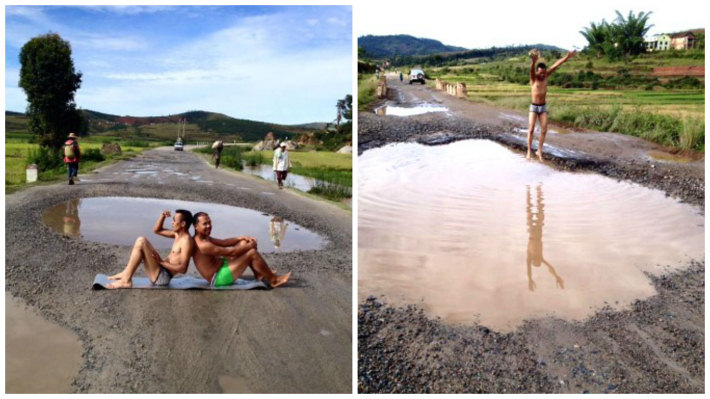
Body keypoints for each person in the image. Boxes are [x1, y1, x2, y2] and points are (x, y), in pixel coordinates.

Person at [192, 212, 291, 288]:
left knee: (244, 242)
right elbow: (232, 252)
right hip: (218, 278)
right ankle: (274, 280)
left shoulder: (204, 237)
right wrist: (251, 245)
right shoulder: (203, 245)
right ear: (196, 227)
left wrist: (242, 237)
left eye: (209, 223)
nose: (209, 226)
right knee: (251, 253)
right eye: (205, 224)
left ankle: (258, 274)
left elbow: (224, 242)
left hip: (222, 266)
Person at [107, 209, 195, 289]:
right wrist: (163, 216)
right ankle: (126, 274)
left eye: (174, 220)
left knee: (142, 241)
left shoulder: (186, 241)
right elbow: (157, 230)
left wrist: (161, 262)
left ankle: (126, 280)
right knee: (140, 242)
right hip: (160, 269)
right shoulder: (177, 234)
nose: (172, 223)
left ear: (183, 224)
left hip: (162, 277)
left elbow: (183, 269)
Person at [527, 49, 576, 161]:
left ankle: (539, 151)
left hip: (543, 107)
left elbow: (556, 65)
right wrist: (533, 62)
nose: (543, 75)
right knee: (531, 130)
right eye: (540, 72)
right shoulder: (533, 79)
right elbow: (531, 71)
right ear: (537, 72)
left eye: (544, 73)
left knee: (544, 129)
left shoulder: (545, 76)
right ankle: (529, 151)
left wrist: (566, 57)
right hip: (534, 107)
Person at [526, 184, 563, 291]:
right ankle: (538, 190)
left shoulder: (529, 257)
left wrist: (530, 278)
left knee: (530, 209)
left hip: (532, 234)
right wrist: (556, 276)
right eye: (538, 261)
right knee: (539, 209)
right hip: (538, 233)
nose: (538, 260)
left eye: (536, 261)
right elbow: (550, 268)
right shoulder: (540, 258)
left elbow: (529, 269)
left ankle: (529, 189)